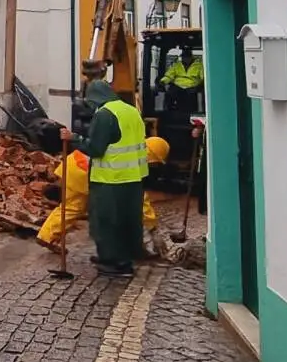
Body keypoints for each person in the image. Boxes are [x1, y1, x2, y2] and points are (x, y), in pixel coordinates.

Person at [59, 80, 149, 277]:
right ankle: (118, 257)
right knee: (128, 220)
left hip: (110, 180)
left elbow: (95, 149)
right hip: (134, 178)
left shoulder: (105, 115)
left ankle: (117, 263)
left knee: (107, 222)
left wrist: (73, 138)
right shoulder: (131, 111)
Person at [36, 136, 170, 250]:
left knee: (71, 207)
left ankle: (46, 236)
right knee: (79, 208)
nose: (153, 166)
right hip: (83, 173)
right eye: (155, 162)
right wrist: (151, 226)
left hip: (75, 165)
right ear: (152, 156)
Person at [161, 47, 203, 111]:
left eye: (187, 56)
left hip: (192, 87)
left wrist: (199, 86)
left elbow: (203, 78)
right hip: (178, 87)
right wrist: (163, 82)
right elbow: (169, 76)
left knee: (192, 95)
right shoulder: (176, 65)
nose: (185, 58)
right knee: (170, 92)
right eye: (184, 56)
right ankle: (167, 112)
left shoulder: (199, 65)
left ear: (191, 57)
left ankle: (193, 112)